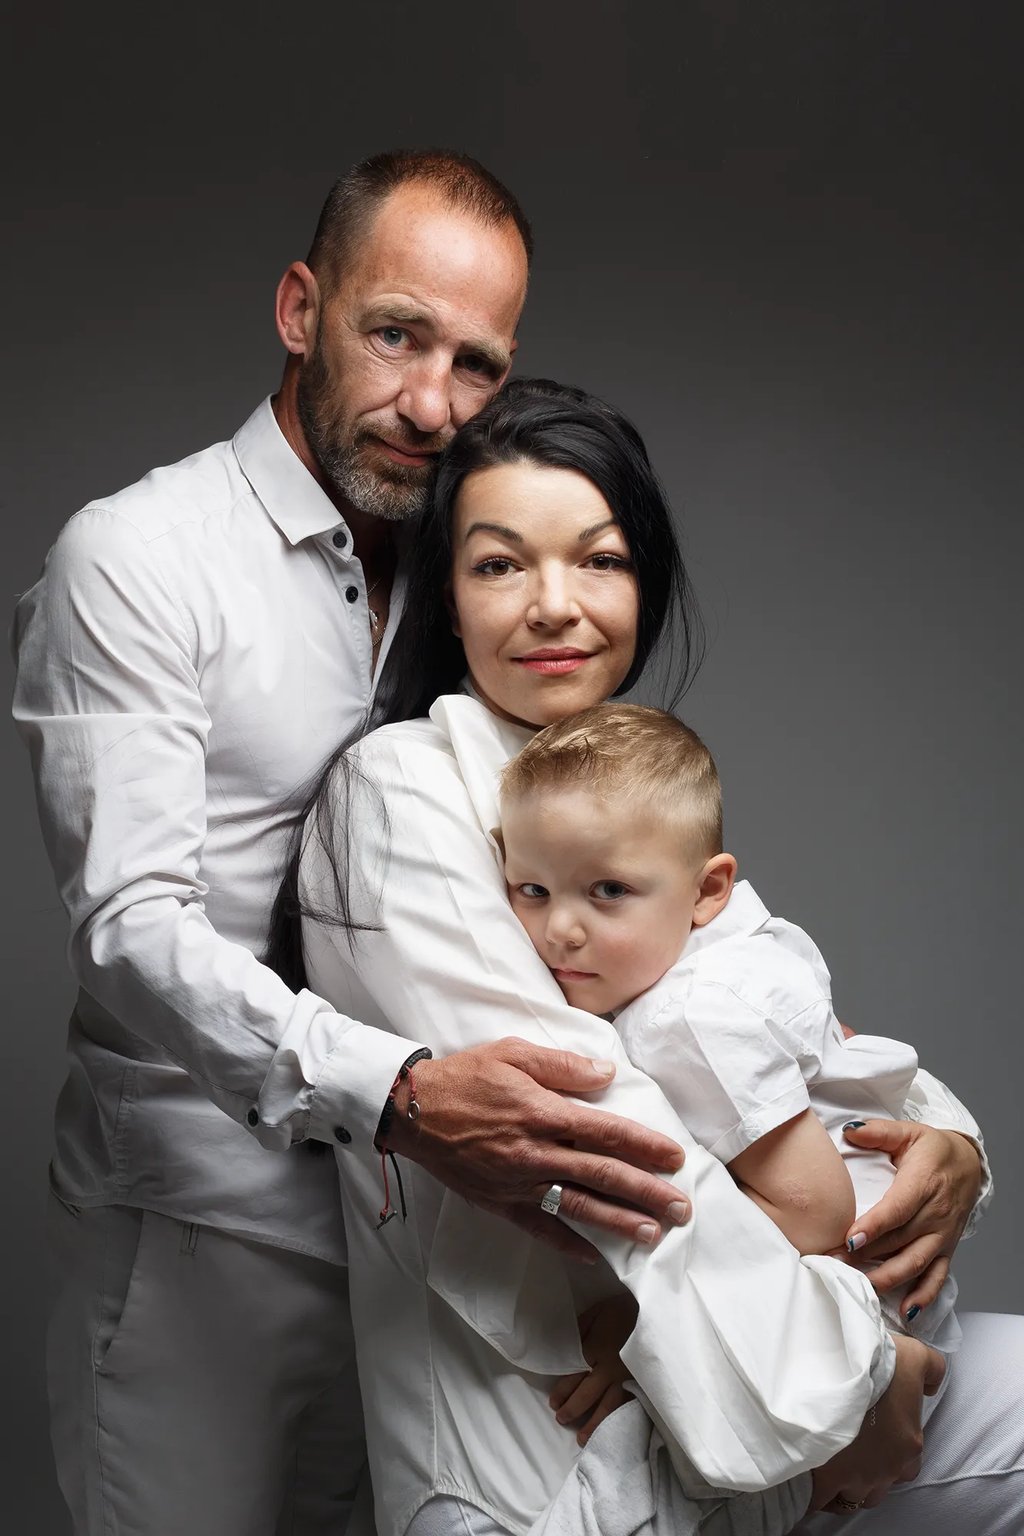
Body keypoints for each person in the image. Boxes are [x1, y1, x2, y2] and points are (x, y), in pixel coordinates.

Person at [12, 151, 694, 1536]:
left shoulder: (481, 568)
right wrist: (405, 1096)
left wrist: (924, 1134)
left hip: (419, 1259)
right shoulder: (136, 558)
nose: (432, 403)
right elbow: (132, 925)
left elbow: (625, 876)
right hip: (205, 1243)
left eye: (477, 365)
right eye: (395, 335)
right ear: (298, 309)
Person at [294, 379, 1021, 1536]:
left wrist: (953, 1150)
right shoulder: (401, 787)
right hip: (543, 1459)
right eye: (497, 565)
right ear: (445, 589)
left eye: (599, 560)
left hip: (734, 1397)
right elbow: (613, 1126)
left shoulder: (620, 781)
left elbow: (785, 1023)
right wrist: (866, 1376)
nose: (553, 607)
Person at [497, 700, 961, 1444]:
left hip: (855, 1302)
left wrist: (646, 1322)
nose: (561, 929)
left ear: (709, 890)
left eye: (608, 891)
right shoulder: (744, 941)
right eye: (533, 891)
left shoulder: (689, 1017)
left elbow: (815, 1213)